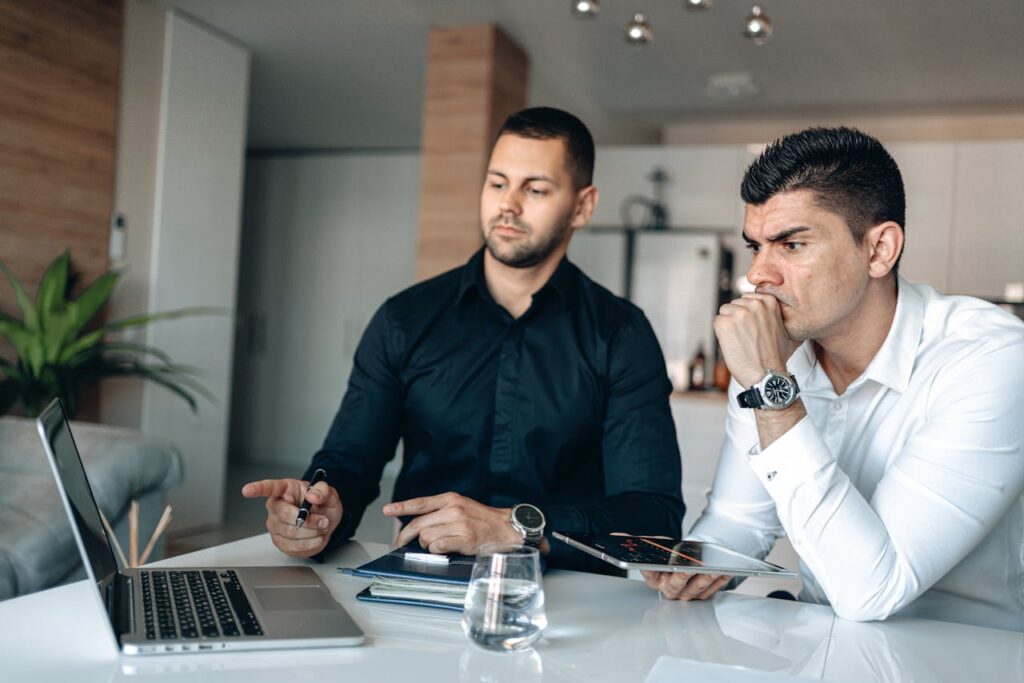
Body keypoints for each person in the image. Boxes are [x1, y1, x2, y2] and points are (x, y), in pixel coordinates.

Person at [242, 107, 684, 569]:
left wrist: (518, 528)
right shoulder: (404, 319)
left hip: (566, 600)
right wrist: (320, 511)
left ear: (582, 205)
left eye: (534, 189)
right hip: (418, 581)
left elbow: (654, 517)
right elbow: (349, 461)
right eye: (497, 183)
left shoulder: (621, 335)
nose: (507, 204)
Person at [643, 127, 1024, 632]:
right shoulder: (774, 358)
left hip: (962, 657)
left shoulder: (990, 357)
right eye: (755, 246)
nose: (758, 273)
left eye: (792, 244)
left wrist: (769, 386)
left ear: (879, 250)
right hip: (824, 648)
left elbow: (874, 588)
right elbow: (740, 520)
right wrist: (692, 564)